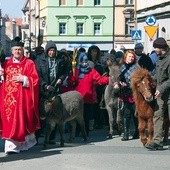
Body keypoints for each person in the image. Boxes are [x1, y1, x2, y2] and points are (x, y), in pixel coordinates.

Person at [0, 37, 40, 154]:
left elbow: (36, 80)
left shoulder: (29, 63)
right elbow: (2, 80)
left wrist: (25, 79)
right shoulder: (6, 64)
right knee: (9, 122)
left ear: (22, 50)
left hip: (24, 100)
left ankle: (24, 144)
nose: (17, 52)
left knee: (23, 121)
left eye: (19, 49)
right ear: (12, 51)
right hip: (8, 101)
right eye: (15, 49)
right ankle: (11, 146)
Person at [67, 53, 109, 136]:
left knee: (86, 116)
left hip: (88, 98)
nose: (85, 64)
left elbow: (99, 80)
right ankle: (76, 131)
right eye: (83, 62)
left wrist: (109, 79)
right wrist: (72, 78)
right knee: (76, 116)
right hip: (77, 98)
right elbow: (70, 83)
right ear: (79, 62)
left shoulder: (91, 71)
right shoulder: (76, 71)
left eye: (86, 62)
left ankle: (85, 132)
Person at [34, 40, 67, 143]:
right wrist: (45, 85)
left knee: (54, 114)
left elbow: (64, 72)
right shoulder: (40, 60)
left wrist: (61, 79)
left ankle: (51, 138)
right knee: (42, 115)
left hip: (55, 90)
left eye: (53, 50)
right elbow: (37, 76)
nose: (51, 52)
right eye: (50, 50)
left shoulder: (60, 60)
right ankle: (37, 137)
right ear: (47, 51)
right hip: (44, 91)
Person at [145, 37, 170, 150]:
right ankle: (157, 142)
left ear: (161, 47)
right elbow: (159, 77)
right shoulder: (159, 59)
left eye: (155, 47)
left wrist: (161, 88)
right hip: (160, 93)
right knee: (157, 115)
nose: (154, 49)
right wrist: (149, 80)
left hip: (167, 93)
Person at [119, 50, 139, 141]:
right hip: (125, 93)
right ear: (125, 57)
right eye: (129, 56)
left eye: (132, 57)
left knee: (135, 114)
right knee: (126, 113)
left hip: (134, 93)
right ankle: (126, 134)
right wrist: (120, 83)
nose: (131, 58)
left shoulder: (136, 67)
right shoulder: (121, 67)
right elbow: (118, 78)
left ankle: (137, 132)